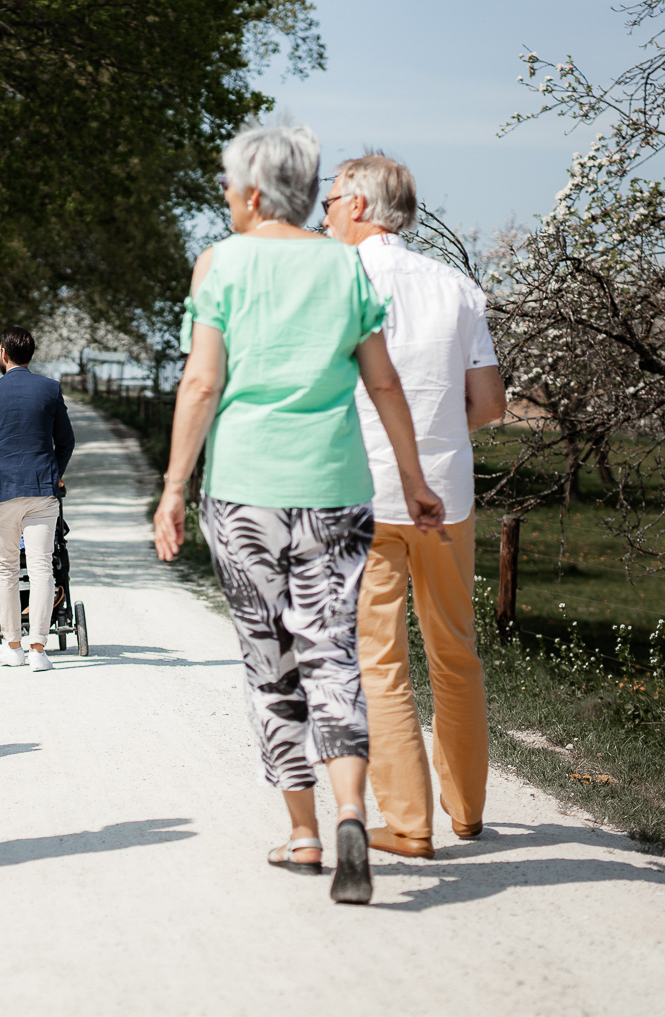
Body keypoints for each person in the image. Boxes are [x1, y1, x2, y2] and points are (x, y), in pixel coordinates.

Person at [153, 123, 446, 907]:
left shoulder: (220, 264)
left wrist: (175, 486)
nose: (222, 197)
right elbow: (384, 386)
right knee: (333, 652)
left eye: (224, 185)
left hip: (246, 489)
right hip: (337, 488)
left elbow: (202, 384)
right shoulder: (345, 268)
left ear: (252, 193)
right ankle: (354, 809)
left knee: (270, 662)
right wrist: (413, 480)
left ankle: (306, 834)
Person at [322, 155, 507, 859]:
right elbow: (489, 403)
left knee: (381, 662)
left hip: (364, 497)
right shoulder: (458, 287)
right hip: (447, 497)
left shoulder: (336, 283)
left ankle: (409, 824)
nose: (327, 214)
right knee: (456, 653)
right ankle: (467, 811)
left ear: (362, 206)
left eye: (333, 200)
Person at [0, 325, 74, 672]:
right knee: (43, 567)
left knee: (6, 569)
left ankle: (12, 646)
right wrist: (53, 471)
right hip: (41, 490)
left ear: (3, 353)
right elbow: (66, 441)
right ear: (31, 355)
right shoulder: (50, 389)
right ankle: (38, 650)